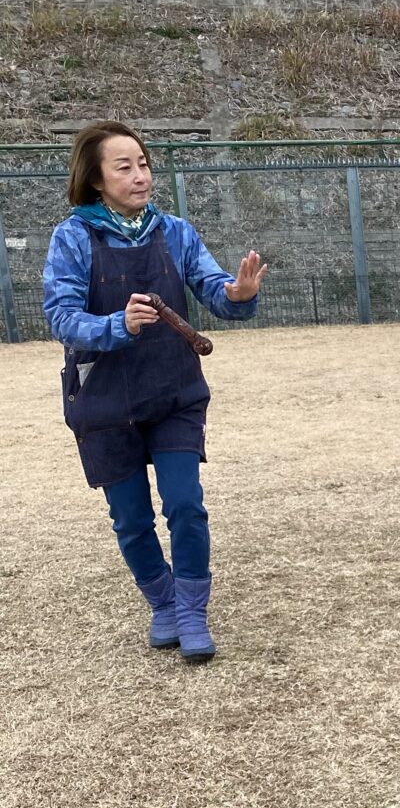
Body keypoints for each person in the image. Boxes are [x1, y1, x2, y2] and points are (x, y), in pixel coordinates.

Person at [43, 121, 268, 662]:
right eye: (124, 167)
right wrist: (117, 325)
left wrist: (237, 295)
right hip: (104, 400)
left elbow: (213, 289)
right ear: (95, 179)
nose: (140, 175)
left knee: (186, 504)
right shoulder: (73, 237)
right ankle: (163, 602)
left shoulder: (175, 232)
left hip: (173, 391)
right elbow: (61, 317)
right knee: (131, 519)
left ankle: (192, 609)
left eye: (143, 163)